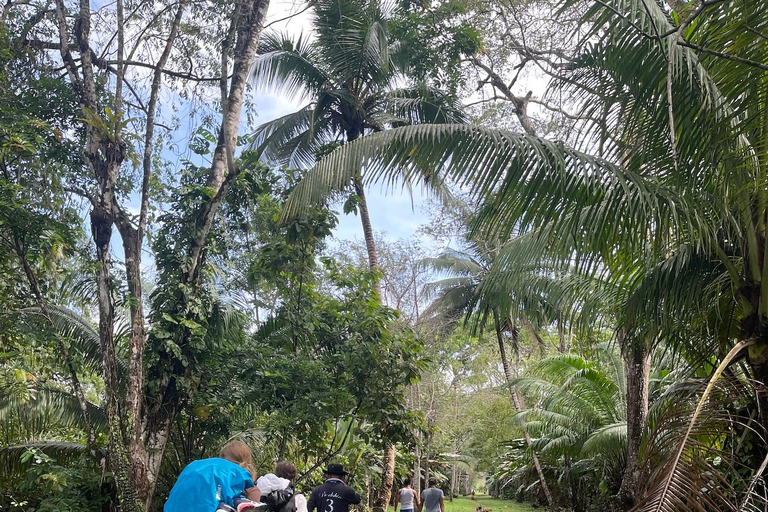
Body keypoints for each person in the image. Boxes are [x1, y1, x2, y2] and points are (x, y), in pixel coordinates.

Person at [164, 440, 261, 512]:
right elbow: (253, 494)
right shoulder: (240, 475)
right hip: (211, 507)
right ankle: (230, 505)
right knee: (237, 497)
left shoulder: (196, 465)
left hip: (175, 507)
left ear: (222, 457)